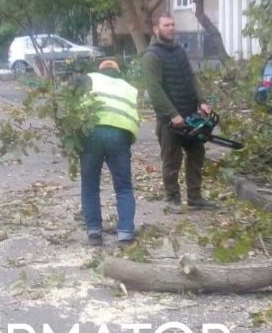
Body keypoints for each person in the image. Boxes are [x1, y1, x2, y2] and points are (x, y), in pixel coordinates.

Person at [141, 14, 216, 209]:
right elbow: (154, 89)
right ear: (156, 29)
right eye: (166, 25)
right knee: (172, 161)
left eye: (173, 24)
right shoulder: (151, 56)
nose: (171, 27)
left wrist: (202, 101)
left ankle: (195, 198)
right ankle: (172, 199)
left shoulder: (179, 52)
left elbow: (191, 78)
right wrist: (173, 114)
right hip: (169, 121)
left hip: (192, 115)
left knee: (196, 156)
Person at [77, 59, 141, 245]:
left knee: (90, 185)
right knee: (123, 186)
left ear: (100, 70)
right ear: (118, 72)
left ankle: (94, 232)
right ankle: (125, 232)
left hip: (92, 133)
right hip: (120, 136)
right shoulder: (130, 88)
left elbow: (71, 102)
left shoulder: (88, 79)